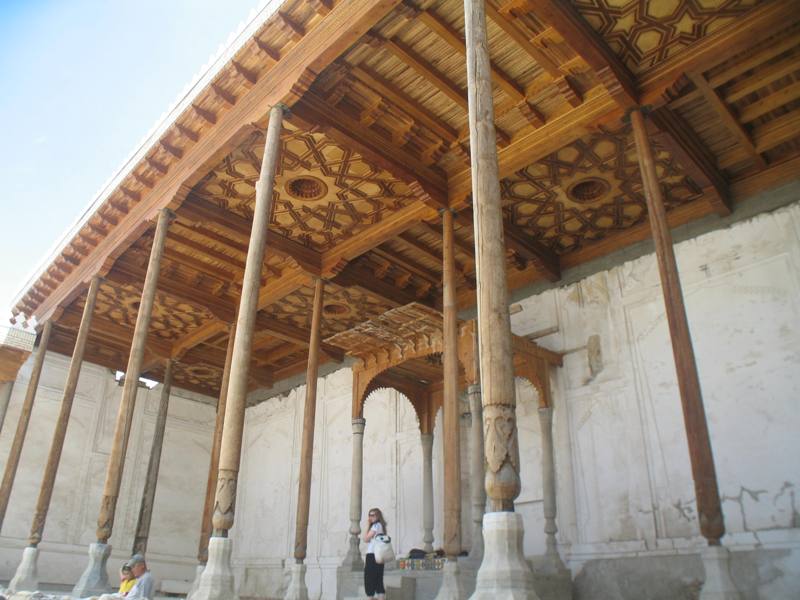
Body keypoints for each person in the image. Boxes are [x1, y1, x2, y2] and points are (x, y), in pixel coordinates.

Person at [363, 507, 387, 599]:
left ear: (378, 516)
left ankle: (371, 597)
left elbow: (366, 539)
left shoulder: (375, 526)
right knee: (378, 579)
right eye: (369, 515)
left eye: (373, 515)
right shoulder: (381, 526)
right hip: (379, 555)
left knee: (369, 579)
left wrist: (367, 525)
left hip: (372, 555)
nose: (370, 517)